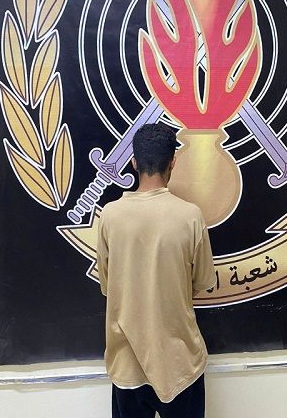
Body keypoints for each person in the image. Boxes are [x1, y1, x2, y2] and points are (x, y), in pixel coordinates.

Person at [96, 123, 217, 418]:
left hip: (127, 365)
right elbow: (203, 280)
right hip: (180, 364)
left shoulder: (110, 215)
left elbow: (107, 285)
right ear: (172, 162)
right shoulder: (190, 216)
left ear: (134, 162)